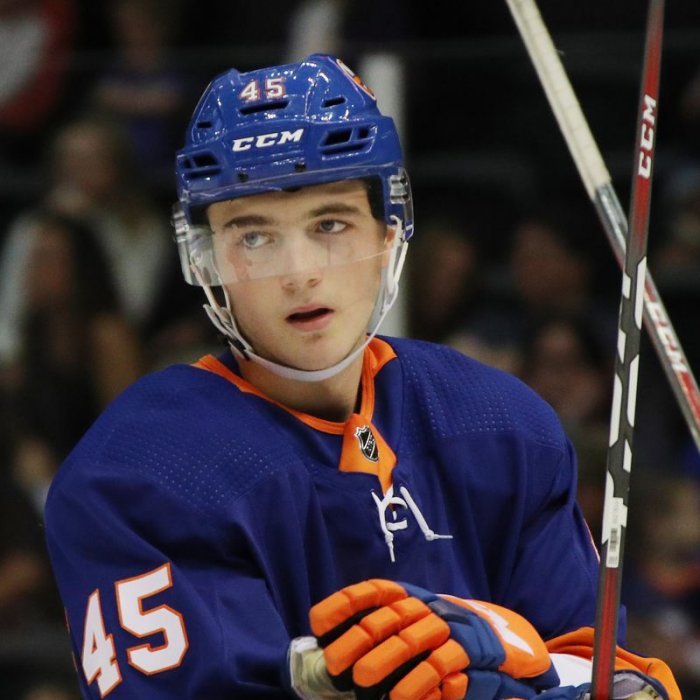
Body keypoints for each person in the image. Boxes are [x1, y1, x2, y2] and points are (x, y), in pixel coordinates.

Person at [43, 54, 680, 700]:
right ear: (206, 259)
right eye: (254, 236)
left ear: (390, 230)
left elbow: (609, 675)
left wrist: (502, 644)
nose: (299, 273)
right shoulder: (135, 475)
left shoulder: (503, 425)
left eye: (330, 224)